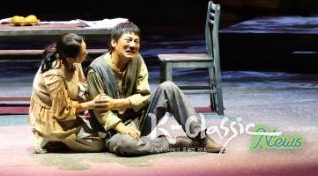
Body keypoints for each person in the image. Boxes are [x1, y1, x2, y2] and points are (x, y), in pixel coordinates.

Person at [86, 21, 224, 156]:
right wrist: (123, 128)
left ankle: (201, 138)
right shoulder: (97, 70)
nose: (133, 45)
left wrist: (117, 103)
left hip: (137, 120)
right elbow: (101, 112)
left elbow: (145, 96)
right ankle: (171, 143)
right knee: (127, 145)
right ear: (113, 42)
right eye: (128, 40)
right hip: (113, 130)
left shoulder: (137, 59)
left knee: (168, 87)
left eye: (136, 41)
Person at [29, 32, 107, 153]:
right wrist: (90, 105)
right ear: (70, 58)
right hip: (52, 114)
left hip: (67, 105)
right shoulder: (55, 75)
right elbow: (61, 111)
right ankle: (48, 135)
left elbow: (82, 84)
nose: (87, 53)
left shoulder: (72, 60)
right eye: (83, 53)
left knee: (102, 134)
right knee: (97, 145)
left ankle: (59, 140)